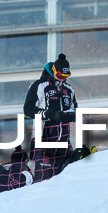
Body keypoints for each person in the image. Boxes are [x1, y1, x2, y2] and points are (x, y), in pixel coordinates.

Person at [24, 53, 77, 182]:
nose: (62, 79)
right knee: (43, 184)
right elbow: (28, 109)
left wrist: (70, 115)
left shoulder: (69, 89)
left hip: (64, 144)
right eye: (60, 76)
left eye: (66, 76)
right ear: (53, 71)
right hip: (44, 144)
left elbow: (75, 110)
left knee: (65, 183)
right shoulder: (39, 86)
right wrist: (49, 114)